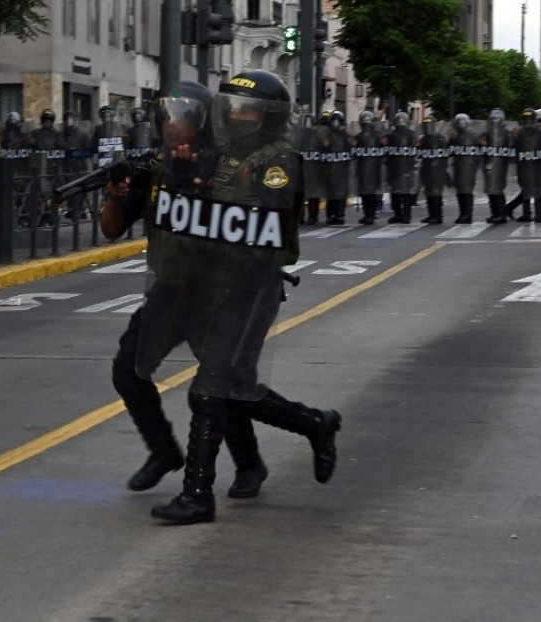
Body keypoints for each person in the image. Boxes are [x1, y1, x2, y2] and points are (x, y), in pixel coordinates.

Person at [105, 72, 343, 525]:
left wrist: (194, 190)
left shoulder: (280, 162)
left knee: (213, 390)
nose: (237, 116)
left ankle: (198, 495)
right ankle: (311, 425)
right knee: (220, 387)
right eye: (232, 107)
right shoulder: (219, 155)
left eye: (247, 109)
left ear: (270, 117)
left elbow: (253, 226)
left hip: (243, 291)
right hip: (190, 287)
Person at [100, 81, 271, 502]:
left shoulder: (223, 165)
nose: (171, 124)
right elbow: (111, 228)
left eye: (181, 116)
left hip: (213, 293)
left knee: (222, 384)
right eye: (166, 116)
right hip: (168, 289)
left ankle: (250, 463)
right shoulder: (154, 168)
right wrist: (116, 195)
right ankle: (162, 451)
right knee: (128, 370)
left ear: (201, 119)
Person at [513, 108, 541, 223]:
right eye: (526, 119)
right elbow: (516, 148)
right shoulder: (520, 133)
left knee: (537, 189)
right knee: (526, 189)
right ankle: (527, 214)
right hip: (524, 164)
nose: (528, 121)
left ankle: (538, 214)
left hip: (536, 164)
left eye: (530, 119)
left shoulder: (540, 132)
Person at [480, 108, 515, 224]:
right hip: (488, 164)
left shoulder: (505, 132)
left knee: (498, 189)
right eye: (493, 118)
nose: (495, 120)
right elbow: (479, 142)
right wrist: (481, 142)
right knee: (491, 190)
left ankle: (501, 214)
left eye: (497, 118)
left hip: (500, 164)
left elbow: (510, 148)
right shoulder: (486, 132)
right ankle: (495, 213)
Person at [384, 111, 419, 224]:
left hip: (398, 167)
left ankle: (401, 214)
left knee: (399, 193)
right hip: (400, 167)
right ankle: (402, 215)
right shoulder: (409, 134)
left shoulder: (392, 135)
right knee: (402, 193)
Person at [351, 110, 384, 224]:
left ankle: (369, 215)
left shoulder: (361, 137)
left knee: (368, 193)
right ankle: (369, 215)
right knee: (369, 193)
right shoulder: (376, 136)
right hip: (370, 168)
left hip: (367, 168)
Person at [417, 115, 450, 224]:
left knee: (436, 192)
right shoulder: (423, 139)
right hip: (427, 168)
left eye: (429, 125)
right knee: (429, 192)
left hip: (438, 169)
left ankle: (437, 216)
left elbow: (446, 155)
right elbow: (420, 154)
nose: (427, 127)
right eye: (425, 125)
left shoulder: (440, 138)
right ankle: (431, 214)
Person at [448, 113, 480, 224]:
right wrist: (451, 140)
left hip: (468, 167)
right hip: (459, 166)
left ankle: (466, 215)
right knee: (461, 191)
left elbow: (480, 152)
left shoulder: (473, 136)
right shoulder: (457, 137)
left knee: (466, 191)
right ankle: (464, 214)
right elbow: (449, 152)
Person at [322, 110, 352, 225]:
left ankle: (339, 215)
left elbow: (351, 148)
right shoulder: (327, 134)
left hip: (341, 168)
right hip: (330, 168)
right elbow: (323, 147)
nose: (335, 124)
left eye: (337, 121)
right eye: (333, 121)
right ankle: (331, 215)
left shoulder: (345, 135)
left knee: (341, 192)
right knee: (331, 192)